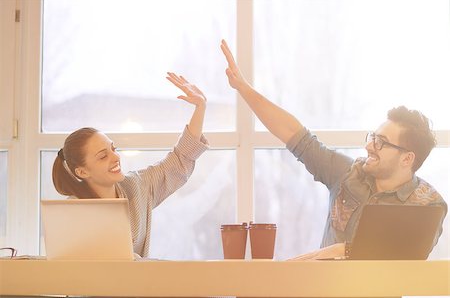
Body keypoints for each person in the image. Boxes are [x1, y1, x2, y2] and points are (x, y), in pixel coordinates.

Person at [220, 39, 447, 259]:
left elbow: (407, 261)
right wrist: (242, 87)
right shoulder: (347, 174)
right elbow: (293, 133)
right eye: (372, 137)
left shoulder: (428, 205)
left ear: (407, 159)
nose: (369, 146)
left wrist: (342, 251)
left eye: (381, 142)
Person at [52, 72, 209, 258]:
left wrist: (200, 107)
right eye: (103, 156)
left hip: (136, 285)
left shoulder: (136, 187)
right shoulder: (73, 212)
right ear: (82, 171)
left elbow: (179, 159)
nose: (115, 157)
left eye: (113, 149)